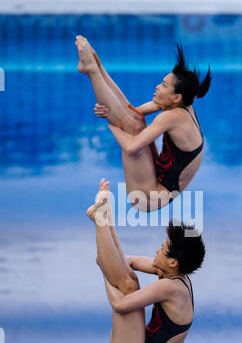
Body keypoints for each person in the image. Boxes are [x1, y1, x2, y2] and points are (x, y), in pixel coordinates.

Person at [76, 35, 211, 211]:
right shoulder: (182, 104)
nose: (157, 87)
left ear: (176, 97)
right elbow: (130, 112)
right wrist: (109, 110)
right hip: (159, 179)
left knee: (131, 127)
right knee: (135, 121)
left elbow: (131, 147)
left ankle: (92, 71)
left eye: (163, 85)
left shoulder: (173, 117)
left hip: (149, 198)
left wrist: (111, 125)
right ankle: (95, 68)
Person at [86, 178, 205, 343]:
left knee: (129, 287)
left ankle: (101, 220)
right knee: (128, 276)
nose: (158, 250)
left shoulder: (171, 288)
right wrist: (107, 256)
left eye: (163, 249)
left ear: (173, 262)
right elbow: (128, 261)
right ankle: (104, 215)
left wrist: (104, 270)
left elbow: (120, 305)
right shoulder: (173, 272)